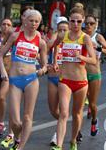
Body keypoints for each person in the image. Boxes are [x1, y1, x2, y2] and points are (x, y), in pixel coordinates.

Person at [0, 9, 47, 150]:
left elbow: (44, 65)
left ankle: (20, 147)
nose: (33, 23)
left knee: (27, 117)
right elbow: (0, 55)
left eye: (36, 21)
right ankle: (17, 138)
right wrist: (3, 71)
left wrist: (42, 70)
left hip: (31, 80)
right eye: (31, 20)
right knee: (15, 121)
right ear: (25, 21)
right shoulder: (15, 36)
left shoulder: (41, 42)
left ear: (39, 23)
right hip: (14, 80)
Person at [51, 7, 96, 150]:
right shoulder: (63, 36)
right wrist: (55, 62)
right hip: (65, 80)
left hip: (81, 82)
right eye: (73, 21)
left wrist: (81, 57)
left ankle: (73, 141)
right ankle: (59, 145)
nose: (75, 24)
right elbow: (55, 46)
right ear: (69, 21)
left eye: (78, 21)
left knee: (76, 114)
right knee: (63, 113)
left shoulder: (85, 38)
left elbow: (94, 60)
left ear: (82, 22)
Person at [47, 16, 69, 146]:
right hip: (52, 76)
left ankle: (58, 135)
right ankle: (65, 123)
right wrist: (56, 35)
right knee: (53, 110)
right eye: (59, 29)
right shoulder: (55, 41)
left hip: (66, 78)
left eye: (64, 30)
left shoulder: (72, 42)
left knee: (63, 110)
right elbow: (48, 46)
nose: (62, 32)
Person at [85, 14, 106, 136]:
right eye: (86, 23)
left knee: (92, 104)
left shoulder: (97, 36)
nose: (88, 25)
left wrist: (98, 48)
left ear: (95, 25)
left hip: (94, 73)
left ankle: (94, 120)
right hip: (81, 74)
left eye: (91, 23)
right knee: (83, 99)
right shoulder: (81, 36)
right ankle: (77, 133)